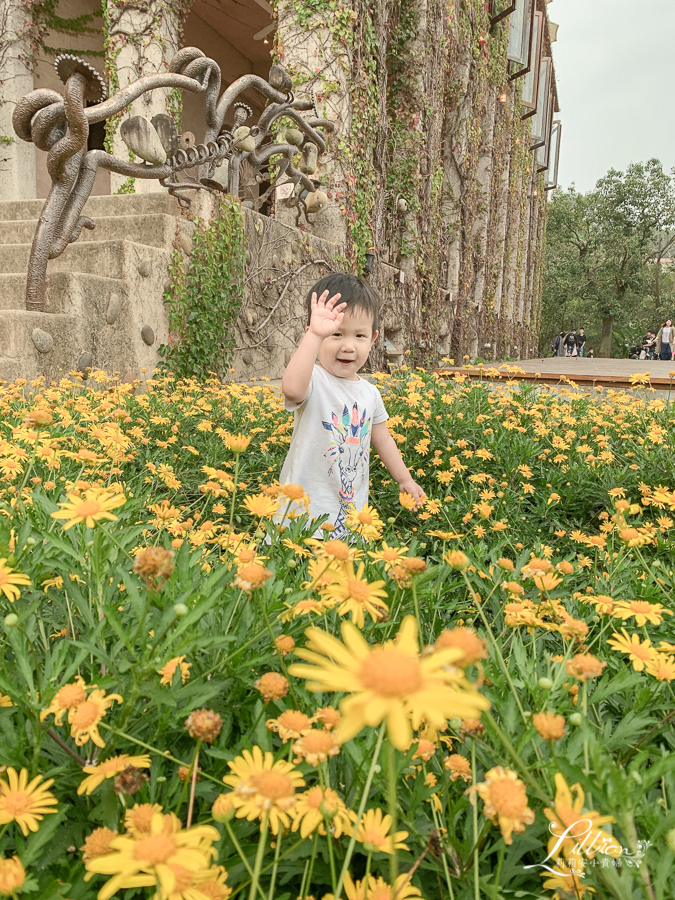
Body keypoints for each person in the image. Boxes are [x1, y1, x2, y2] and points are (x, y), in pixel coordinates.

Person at [279, 273, 424, 539]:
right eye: (335, 334)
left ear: (373, 339)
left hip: (348, 512)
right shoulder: (314, 380)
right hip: (300, 511)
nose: (348, 346)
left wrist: (404, 479)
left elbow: (384, 440)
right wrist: (314, 335)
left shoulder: (370, 393)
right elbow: (291, 388)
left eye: (359, 335)